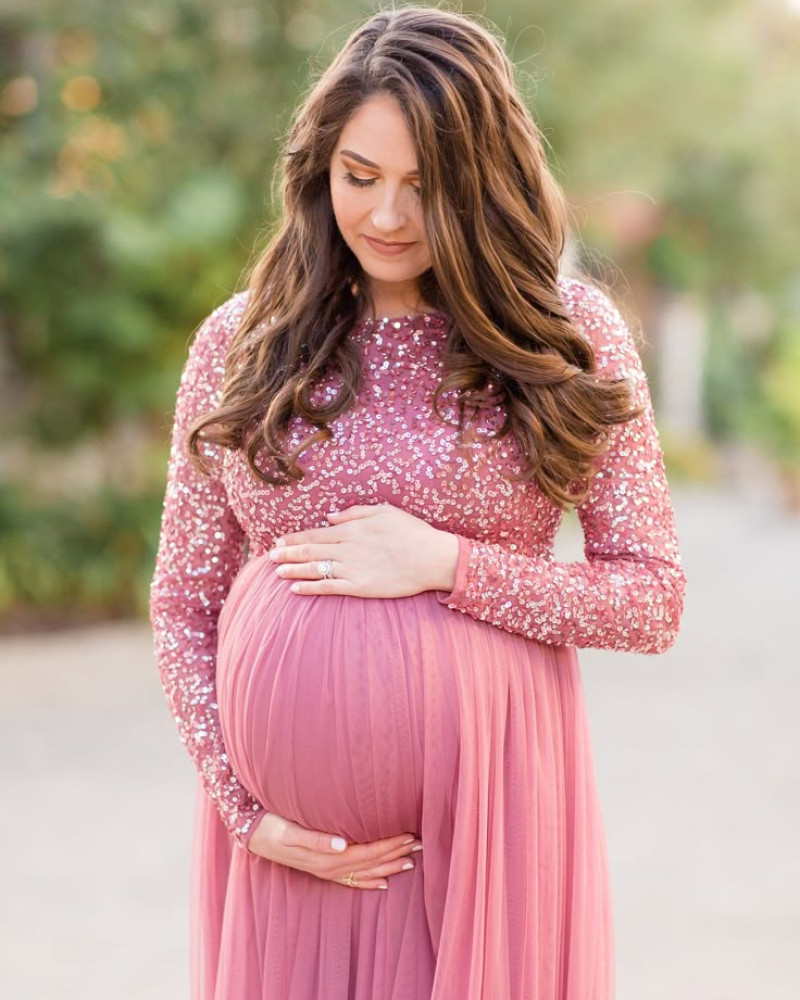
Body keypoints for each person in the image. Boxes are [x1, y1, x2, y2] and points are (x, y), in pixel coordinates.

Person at [149, 5, 686, 999]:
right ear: (319, 168)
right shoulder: (242, 342)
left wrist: (450, 565)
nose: (388, 217)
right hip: (292, 861)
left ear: (483, 185)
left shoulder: (566, 338)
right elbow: (184, 600)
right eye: (360, 177)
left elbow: (648, 599)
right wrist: (244, 809)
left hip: (489, 831)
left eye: (425, 187)